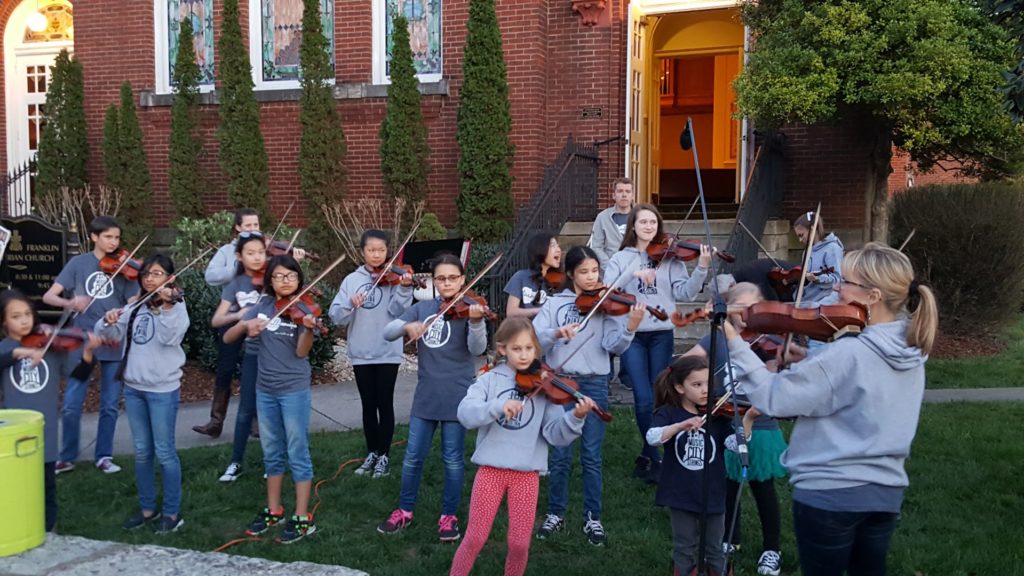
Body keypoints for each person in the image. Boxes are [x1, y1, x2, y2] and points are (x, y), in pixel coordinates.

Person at [721, 243, 938, 575]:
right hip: (885, 494)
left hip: (831, 495)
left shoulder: (846, 354)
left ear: (872, 296)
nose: (836, 286)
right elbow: (861, 389)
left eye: (846, 281)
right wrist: (810, 360)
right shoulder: (910, 350)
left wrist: (734, 342)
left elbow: (773, 399)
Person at [449, 317, 596, 576]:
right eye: (517, 349)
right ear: (503, 349)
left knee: (519, 544)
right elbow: (466, 414)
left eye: (529, 348)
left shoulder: (544, 386)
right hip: (491, 471)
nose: (525, 355)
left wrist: (575, 418)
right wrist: (496, 407)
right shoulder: (490, 380)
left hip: (527, 475)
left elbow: (555, 435)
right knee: (474, 538)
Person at [532, 245, 643, 546]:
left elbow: (614, 346)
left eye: (595, 271)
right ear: (570, 274)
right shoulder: (555, 304)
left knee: (591, 455)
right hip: (560, 382)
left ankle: (593, 517)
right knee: (561, 454)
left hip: (594, 383)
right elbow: (535, 339)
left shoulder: (606, 303)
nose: (592, 277)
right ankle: (556, 512)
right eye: (584, 272)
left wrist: (629, 328)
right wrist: (556, 334)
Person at [377, 253, 488, 542]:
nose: (447, 283)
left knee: (452, 459)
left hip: (457, 396)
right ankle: (404, 510)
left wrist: (476, 323)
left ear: (463, 280)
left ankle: (448, 515)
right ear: (433, 282)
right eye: (441, 278)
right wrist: (405, 326)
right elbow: (387, 332)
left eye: (453, 277)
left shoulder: (470, 310)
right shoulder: (423, 308)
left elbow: (478, 350)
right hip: (426, 396)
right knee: (413, 457)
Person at [682, 282, 787, 576]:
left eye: (753, 306)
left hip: (761, 426)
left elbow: (771, 384)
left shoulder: (771, 341)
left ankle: (772, 549)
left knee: (762, 489)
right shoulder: (716, 339)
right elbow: (688, 361)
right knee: (728, 487)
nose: (746, 314)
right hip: (726, 422)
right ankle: (731, 538)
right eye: (740, 307)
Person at [605, 204, 710, 483]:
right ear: (633, 227)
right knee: (641, 398)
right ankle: (654, 456)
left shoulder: (670, 258)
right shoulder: (622, 258)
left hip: (662, 333)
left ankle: (647, 455)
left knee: (658, 395)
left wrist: (700, 268)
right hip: (633, 334)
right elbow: (607, 290)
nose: (649, 226)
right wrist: (634, 274)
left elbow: (685, 293)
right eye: (643, 222)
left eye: (653, 222)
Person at [227, 255, 320, 544]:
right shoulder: (263, 306)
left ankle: (303, 517)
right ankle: (274, 509)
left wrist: (307, 328)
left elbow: (302, 353)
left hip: (293, 389)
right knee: (271, 451)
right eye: (279, 276)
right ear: (270, 280)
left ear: (299, 280)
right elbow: (229, 337)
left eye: (290, 276)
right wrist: (246, 327)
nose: (285, 281)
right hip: (265, 390)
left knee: (297, 450)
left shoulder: (305, 308)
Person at [99, 255, 189, 534]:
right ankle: (148, 509)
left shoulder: (177, 308)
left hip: (162, 390)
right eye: (147, 274)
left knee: (164, 452)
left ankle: (172, 513)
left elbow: (169, 338)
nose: (150, 278)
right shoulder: (136, 306)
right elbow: (108, 334)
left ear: (170, 279)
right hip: (135, 388)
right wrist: (108, 319)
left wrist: (166, 307)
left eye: (158, 274)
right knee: (141, 453)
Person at [0, 289, 102, 532]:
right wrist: (20, 352)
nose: (24, 320)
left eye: (27, 314)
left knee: (46, 488)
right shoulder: (5, 347)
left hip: (44, 433)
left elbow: (77, 375)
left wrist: (88, 352)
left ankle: (47, 532)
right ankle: (16, 528)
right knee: (14, 486)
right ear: (4, 321)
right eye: (16, 316)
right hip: (13, 433)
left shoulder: (51, 348)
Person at [43, 215, 138, 474]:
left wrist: (120, 311)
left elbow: (133, 301)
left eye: (117, 237)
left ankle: (104, 455)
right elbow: (49, 296)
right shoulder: (78, 263)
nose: (113, 242)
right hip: (81, 340)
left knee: (109, 403)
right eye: (108, 236)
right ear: (94, 237)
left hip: (111, 338)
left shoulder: (125, 266)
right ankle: (67, 455)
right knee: (73, 401)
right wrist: (71, 303)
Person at [329, 229, 414, 479]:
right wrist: (350, 304)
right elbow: (336, 316)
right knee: (368, 405)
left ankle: (384, 455)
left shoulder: (394, 278)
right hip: (361, 351)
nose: (376, 255)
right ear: (363, 251)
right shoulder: (351, 280)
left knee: (384, 403)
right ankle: (372, 452)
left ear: (388, 251)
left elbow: (397, 310)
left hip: (387, 350)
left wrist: (405, 288)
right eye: (371, 250)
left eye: (381, 250)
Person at [646, 355, 733, 576]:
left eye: (708, 384)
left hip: (713, 492)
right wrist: (680, 426)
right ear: (679, 387)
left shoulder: (719, 416)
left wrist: (748, 420)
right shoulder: (669, 413)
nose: (706, 390)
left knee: (715, 548)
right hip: (680, 492)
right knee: (684, 547)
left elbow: (734, 444)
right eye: (697, 385)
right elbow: (653, 437)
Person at [194, 208, 259, 438]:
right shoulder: (227, 251)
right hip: (231, 316)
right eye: (248, 226)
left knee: (255, 370)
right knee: (225, 369)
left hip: (258, 320)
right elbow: (210, 277)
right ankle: (216, 421)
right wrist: (237, 266)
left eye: (256, 225)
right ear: (238, 228)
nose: (253, 229)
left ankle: (255, 421)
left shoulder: (264, 250)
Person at [212, 231, 268, 482]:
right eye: (251, 253)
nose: (257, 258)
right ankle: (236, 461)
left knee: (271, 412)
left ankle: (272, 461)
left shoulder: (273, 277)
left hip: (277, 355)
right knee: (246, 409)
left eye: (261, 252)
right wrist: (240, 315)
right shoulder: (236, 285)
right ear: (239, 256)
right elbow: (217, 320)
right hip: (254, 354)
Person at [504, 232, 562, 319]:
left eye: (558, 246)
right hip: (525, 330)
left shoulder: (560, 280)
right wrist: (539, 310)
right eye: (553, 246)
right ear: (540, 249)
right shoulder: (520, 277)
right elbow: (511, 312)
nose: (558, 250)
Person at [792, 212, 844, 304]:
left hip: (823, 300)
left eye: (801, 235)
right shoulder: (807, 251)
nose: (800, 240)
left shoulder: (832, 248)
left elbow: (837, 280)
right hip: (807, 298)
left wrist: (818, 278)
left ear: (812, 229)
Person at [590, 177, 634, 269]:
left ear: (632, 195)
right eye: (620, 191)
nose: (624, 195)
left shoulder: (641, 216)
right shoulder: (602, 217)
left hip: (636, 270)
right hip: (609, 271)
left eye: (628, 191)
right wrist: (610, 266)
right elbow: (596, 247)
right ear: (614, 195)